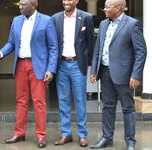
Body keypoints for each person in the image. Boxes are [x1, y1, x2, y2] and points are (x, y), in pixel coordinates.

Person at [0, 0, 58, 148]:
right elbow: (11, 43)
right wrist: (0, 53)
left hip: (38, 66)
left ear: (33, 6)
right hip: (20, 64)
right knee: (21, 100)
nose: (20, 7)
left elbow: (53, 47)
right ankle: (19, 133)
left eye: (23, 4)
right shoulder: (16, 20)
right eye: (20, 4)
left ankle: (41, 135)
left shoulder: (46, 20)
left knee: (39, 102)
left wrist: (50, 69)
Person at [90, 0, 147, 150]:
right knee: (107, 107)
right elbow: (98, 49)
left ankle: (130, 141)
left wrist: (136, 75)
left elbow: (141, 51)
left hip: (124, 74)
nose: (104, 9)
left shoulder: (132, 24)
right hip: (105, 72)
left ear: (118, 8)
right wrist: (94, 70)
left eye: (108, 7)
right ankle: (107, 138)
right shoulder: (103, 24)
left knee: (128, 108)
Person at [51, 0, 95, 147]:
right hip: (61, 64)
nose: (66, 2)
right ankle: (66, 134)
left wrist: (91, 67)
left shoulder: (86, 17)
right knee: (63, 101)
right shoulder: (55, 18)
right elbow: (52, 43)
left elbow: (91, 44)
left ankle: (82, 135)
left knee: (80, 101)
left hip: (78, 64)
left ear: (76, 1)